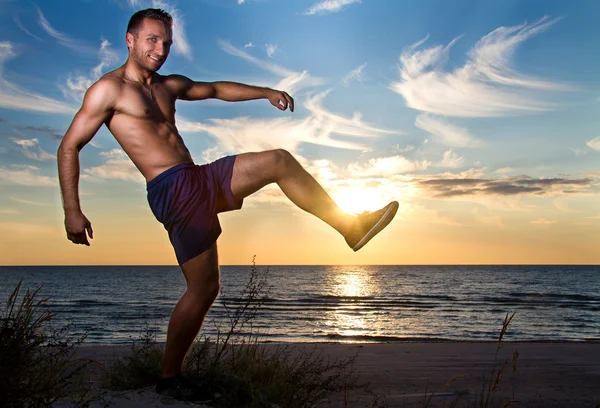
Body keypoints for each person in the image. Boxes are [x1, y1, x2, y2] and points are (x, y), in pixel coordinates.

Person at [57, 8, 398, 403]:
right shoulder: (108, 91)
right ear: (130, 40)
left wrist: (265, 92)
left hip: (199, 176)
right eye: (152, 39)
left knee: (279, 161)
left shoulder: (168, 85)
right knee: (203, 289)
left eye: (166, 41)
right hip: (173, 189)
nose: (160, 48)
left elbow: (216, 89)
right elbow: (69, 145)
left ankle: (351, 227)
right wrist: (72, 209)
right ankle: (169, 378)